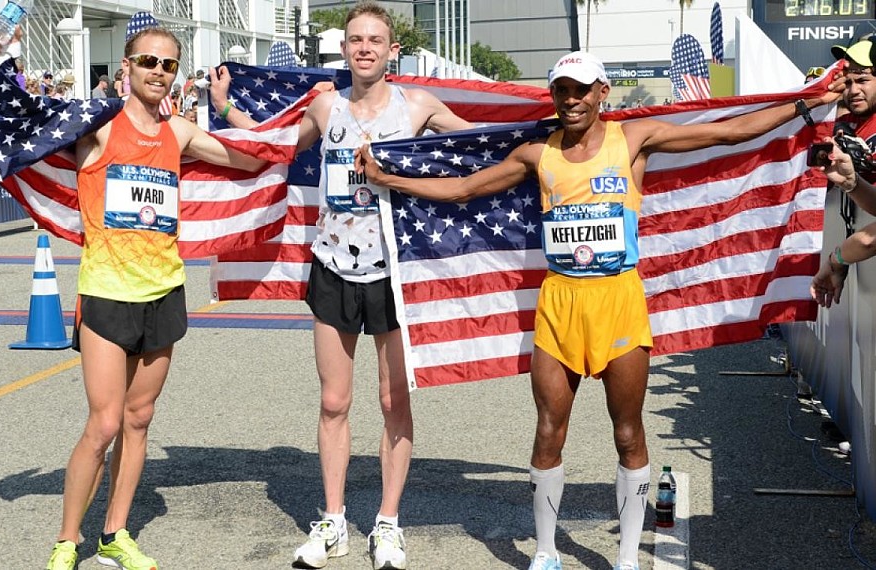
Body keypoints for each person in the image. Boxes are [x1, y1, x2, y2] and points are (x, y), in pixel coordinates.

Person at [357, 50, 842, 570]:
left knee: (628, 432)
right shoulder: (536, 154)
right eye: (562, 90)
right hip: (561, 302)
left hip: (618, 300)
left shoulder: (632, 139)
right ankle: (546, 552)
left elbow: (728, 133)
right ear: (553, 95)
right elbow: (464, 189)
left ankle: (627, 558)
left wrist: (804, 106)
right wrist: (390, 180)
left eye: (582, 90)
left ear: (601, 93)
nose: (572, 100)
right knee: (549, 430)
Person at [0, 15, 268, 570]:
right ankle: (67, 541)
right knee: (105, 423)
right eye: (148, 61)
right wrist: (0, 54)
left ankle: (114, 534)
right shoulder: (96, 127)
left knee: (139, 419)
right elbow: (21, 115)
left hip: (163, 290)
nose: (158, 71)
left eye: (168, 64)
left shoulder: (179, 133)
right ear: (127, 68)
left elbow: (255, 156)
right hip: (107, 291)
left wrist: (231, 107)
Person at [210, 2, 472, 568]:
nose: (365, 48)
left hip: (393, 273)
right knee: (334, 401)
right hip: (332, 267)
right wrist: (226, 107)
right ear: (345, 48)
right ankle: (333, 522)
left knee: (393, 401)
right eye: (356, 39)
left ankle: (388, 524)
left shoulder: (418, 106)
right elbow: (273, 145)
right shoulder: (326, 105)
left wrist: (555, 132)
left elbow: (482, 145)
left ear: (392, 50)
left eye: (375, 40)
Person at [811, 39, 876, 307]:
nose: (853, 90)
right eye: (847, 82)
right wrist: (851, 183)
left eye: (862, 80)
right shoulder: (846, 124)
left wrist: (838, 259)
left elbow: (870, 239)